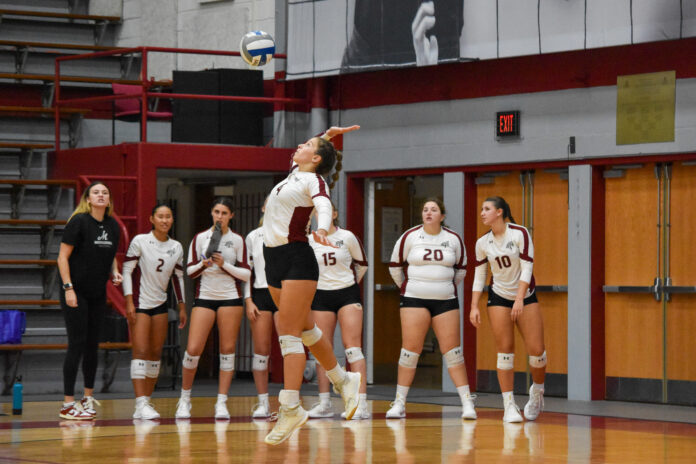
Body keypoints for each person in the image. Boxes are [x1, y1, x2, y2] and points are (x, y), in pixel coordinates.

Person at [262, 125, 362, 445]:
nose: (299, 145)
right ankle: (343, 379)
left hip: (297, 259)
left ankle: (290, 406)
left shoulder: (313, 179)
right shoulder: (295, 172)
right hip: (272, 259)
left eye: (307, 144)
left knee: (288, 333)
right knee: (306, 330)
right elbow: (317, 155)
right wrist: (328, 135)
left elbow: (322, 204)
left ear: (315, 157)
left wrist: (321, 227)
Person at [386, 198, 475, 420]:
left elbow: (461, 269)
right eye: (425, 209)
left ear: (442, 216)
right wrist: (409, 288)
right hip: (414, 299)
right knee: (410, 352)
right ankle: (399, 403)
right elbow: (395, 266)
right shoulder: (410, 236)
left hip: (445, 300)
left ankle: (467, 403)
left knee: (453, 353)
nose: (428, 213)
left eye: (433, 210)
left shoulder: (453, 239)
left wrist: (444, 287)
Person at [469, 196, 546, 423]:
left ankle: (537, 392)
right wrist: (474, 306)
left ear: (500, 212)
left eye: (487, 209)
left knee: (537, 351)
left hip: (526, 296)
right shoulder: (482, 243)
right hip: (499, 296)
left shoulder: (520, 233)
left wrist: (520, 299)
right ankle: (509, 405)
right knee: (505, 349)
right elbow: (479, 275)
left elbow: (527, 268)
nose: (482, 213)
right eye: (482, 209)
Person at [175, 197, 251, 420]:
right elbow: (189, 272)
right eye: (217, 211)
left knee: (227, 350)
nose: (220, 216)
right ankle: (184, 399)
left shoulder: (237, 240)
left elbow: (247, 274)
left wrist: (223, 265)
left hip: (230, 298)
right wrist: (203, 264)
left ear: (231, 216)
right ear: (212, 213)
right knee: (193, 348)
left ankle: (222, 402)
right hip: (205, 297)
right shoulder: (200, 238)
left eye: (224, 213)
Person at [57, 181, 122, 420]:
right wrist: (68, 288)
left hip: (97, 291)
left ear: (109, 199)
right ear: (87, 198)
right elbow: (62, 257)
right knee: (77, 342)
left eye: (105, 192)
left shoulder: (113, 225)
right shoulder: (79, 222)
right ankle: (67, 403)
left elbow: (110, 254)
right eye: (96, 192)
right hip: (76, 290)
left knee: (92, 345)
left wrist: (114, 271)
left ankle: (87, 398)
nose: (101, 195)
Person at [122, 204, 187, 420]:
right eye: (160, 216)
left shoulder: (176, 246)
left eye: (168, 216)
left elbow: (178, 278)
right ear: (152, 219)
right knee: (140, 351)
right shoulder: (140, 241)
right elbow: (127, 270)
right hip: (140, 304)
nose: (164, 220)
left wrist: (182, 305)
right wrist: (129, 301)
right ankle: (139, 403)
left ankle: (146, 403)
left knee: (155, 353)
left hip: (160, 304)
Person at [307, 203, 369, 420]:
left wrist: (347, 284)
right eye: (317, 212)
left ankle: (361, 404)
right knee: (322, 348)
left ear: (334, 214)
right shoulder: (310, 240)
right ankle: (324, 403)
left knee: (353, 348)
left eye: (326, 212)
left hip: (347, 294)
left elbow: (362, 264)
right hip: (321, 296)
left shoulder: (347, 237)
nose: (321, 215)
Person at [243, 198, 278, 419]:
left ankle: (291, 402)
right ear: (264, 207)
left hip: (284, 293)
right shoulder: (253, 236)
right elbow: (247, 270)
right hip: (261, 294)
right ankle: (263, 402)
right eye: (269, 204)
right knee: (261, 351)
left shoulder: (287, 233)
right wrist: (248, 300)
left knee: (289, 346)